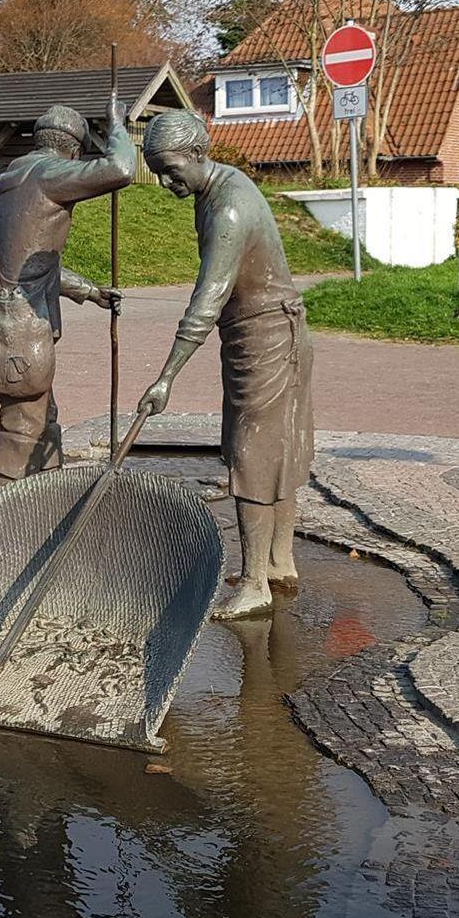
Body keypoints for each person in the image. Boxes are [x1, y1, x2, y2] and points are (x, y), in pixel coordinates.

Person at [136, 110, 313, 619]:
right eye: (158, 173)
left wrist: (166, 377)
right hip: (267, 331)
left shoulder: (229, 208)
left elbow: (206, 302)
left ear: (197, 154)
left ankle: (256, 582)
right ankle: (278, 561)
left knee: (252, 453)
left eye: (172, 171)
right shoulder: (218, 187)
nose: (167, 183)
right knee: (276, 447)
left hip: (265, 338)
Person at [0, 97, 133, 490]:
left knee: (43, 423)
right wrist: (117, 125)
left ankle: (46, 503)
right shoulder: (49, 174)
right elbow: (121, 169)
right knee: (21, 428)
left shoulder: (18, 177)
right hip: (18, 333)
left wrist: (91, 292)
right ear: (74, 152)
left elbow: (33, 265)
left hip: (13, 326)